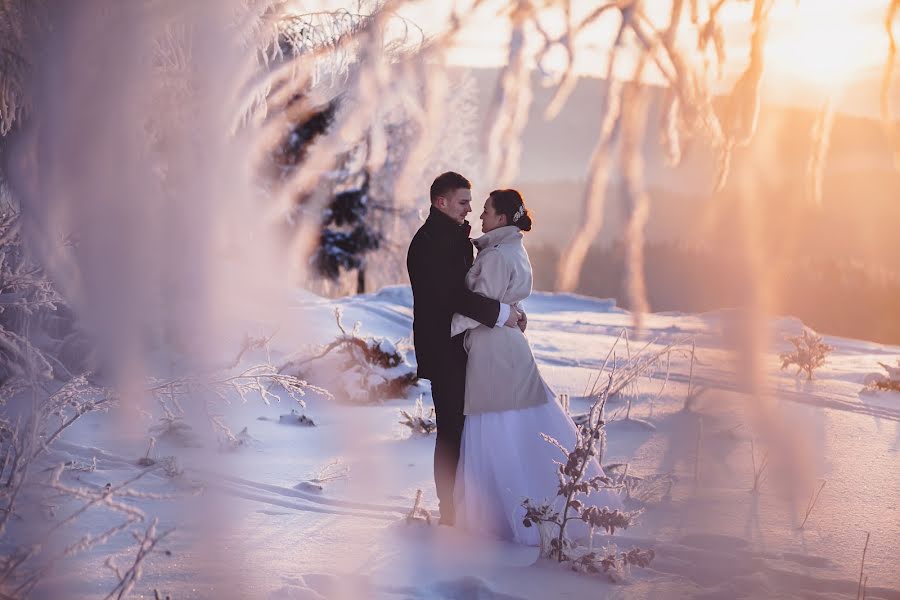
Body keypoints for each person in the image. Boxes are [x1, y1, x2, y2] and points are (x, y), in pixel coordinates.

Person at [451, 189, 621, 545]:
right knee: (518, 426)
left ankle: (499, 517)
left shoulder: (496, 256)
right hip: (510, 348)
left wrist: (443, 327)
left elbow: (476, 308)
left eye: (486, 211)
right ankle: (541, 502)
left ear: (500, 218)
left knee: (493, 429)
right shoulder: (514, 248)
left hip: (493, 351)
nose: (480, 217)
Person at [406, 172, 523, 526]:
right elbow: (453, 296)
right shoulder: (428, 243)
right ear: (440, 202)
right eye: (463, 203)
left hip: (466, 346)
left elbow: (476, 286)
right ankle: (449, 512)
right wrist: (501, 314)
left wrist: (509, 307)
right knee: (451, 431)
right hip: (444, 350)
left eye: (473, 204)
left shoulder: (455, 237)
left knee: (472, 428)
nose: (470, 210)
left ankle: (471, 505)